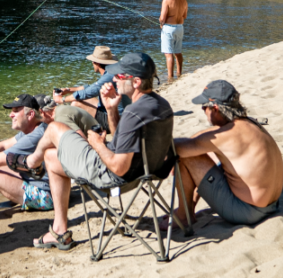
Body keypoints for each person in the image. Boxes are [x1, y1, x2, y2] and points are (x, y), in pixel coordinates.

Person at [24, 53, 174, 250]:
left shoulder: (133, 113)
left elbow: (119, 168)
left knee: (53, 129)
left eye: (120, 77)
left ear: (136, 82)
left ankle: (29, 164)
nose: (114, 79)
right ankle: (59, 229)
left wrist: (97, 145)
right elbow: (122, 139)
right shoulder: (160, 105)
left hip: (112, 177)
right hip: (148, 171)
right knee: (51, 157)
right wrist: (111, 109)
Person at [174, 80, 283, 228]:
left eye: (204, 107)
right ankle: (189, 206)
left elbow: (180, 148)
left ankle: (183, 216)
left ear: (216, 109)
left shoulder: (226, 136)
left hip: (248, 211)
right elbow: (206, 136)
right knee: (212, 155)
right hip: (272, 204)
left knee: (186, 157)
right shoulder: (249, 124)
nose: (203, 110)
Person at [53, 45, 130, 133]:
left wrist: (62, 99)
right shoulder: (110, 73)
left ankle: (80, 134)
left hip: (114, 120)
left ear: (96, 63)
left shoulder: (109, 76)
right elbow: (90, 87)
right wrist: (68, 90)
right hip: (117, 114)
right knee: (80, 98)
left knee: (76, 103)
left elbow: (88, 93)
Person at [159, 0, 189, 81]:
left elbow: (162, 18)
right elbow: (184, 16)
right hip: (180, 27)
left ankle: (170, 77)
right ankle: (179, 74)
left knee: (169, 54)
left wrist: (161, 23)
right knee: (178, 52)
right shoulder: (184, 0)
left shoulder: (166, 0)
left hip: (169, 28)